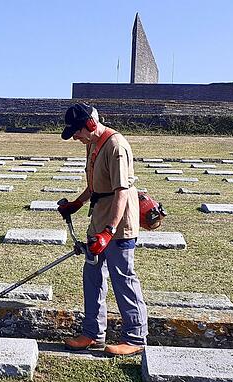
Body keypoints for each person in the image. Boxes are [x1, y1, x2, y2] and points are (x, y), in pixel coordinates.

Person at [56, 103, 148, 357]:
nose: (75, 136)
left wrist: (109, 231)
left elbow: (121, 192)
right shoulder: (92, 144)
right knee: (92, 278)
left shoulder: (117, 146)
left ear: (91, 125)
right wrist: (77, 203)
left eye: (77, 131)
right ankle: (93, 334)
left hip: (119, 225)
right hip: (99, 219)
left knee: (123, 279)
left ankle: (135, 337)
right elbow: (96, 185)